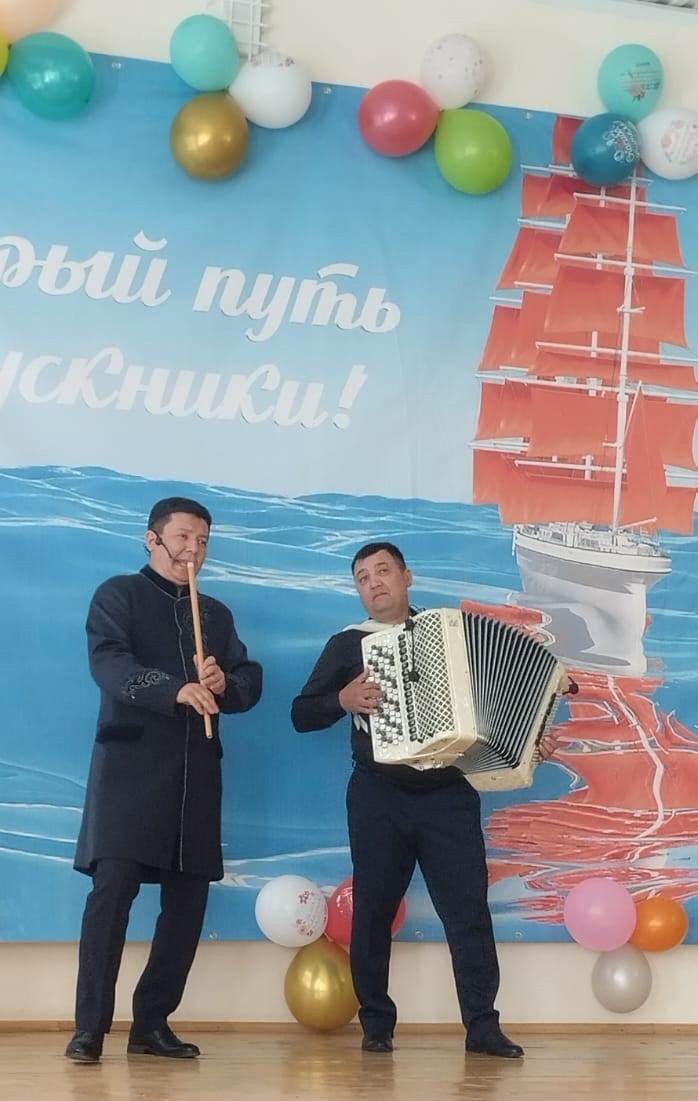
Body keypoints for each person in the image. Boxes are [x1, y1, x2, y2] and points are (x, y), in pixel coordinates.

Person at [291, 541, 553, 1059]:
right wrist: (342, 699)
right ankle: (376, 1024)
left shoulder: (452, 635)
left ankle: (482, 1025)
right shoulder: (347, 644)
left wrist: (531, 741)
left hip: (448, 794)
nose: (374, 583)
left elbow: (499, 705)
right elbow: (302, 714)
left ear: (407, 577)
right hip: (378, 794)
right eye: (363, 577)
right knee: (373, 911)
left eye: (383, 571)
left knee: (468, 910)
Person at [65, 497, 263, 1064]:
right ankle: (89, 1029)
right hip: (128, 774)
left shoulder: (216, 615)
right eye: (182, 537)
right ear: (152, 539)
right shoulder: (118, 595)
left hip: (195, 775)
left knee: (188, 903)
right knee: (111, 896)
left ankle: (151, 1023)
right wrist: (175, 689)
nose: (193, 549)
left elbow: (249, 679)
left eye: (203, 540)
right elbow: (109, 664)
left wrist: (224, 684)